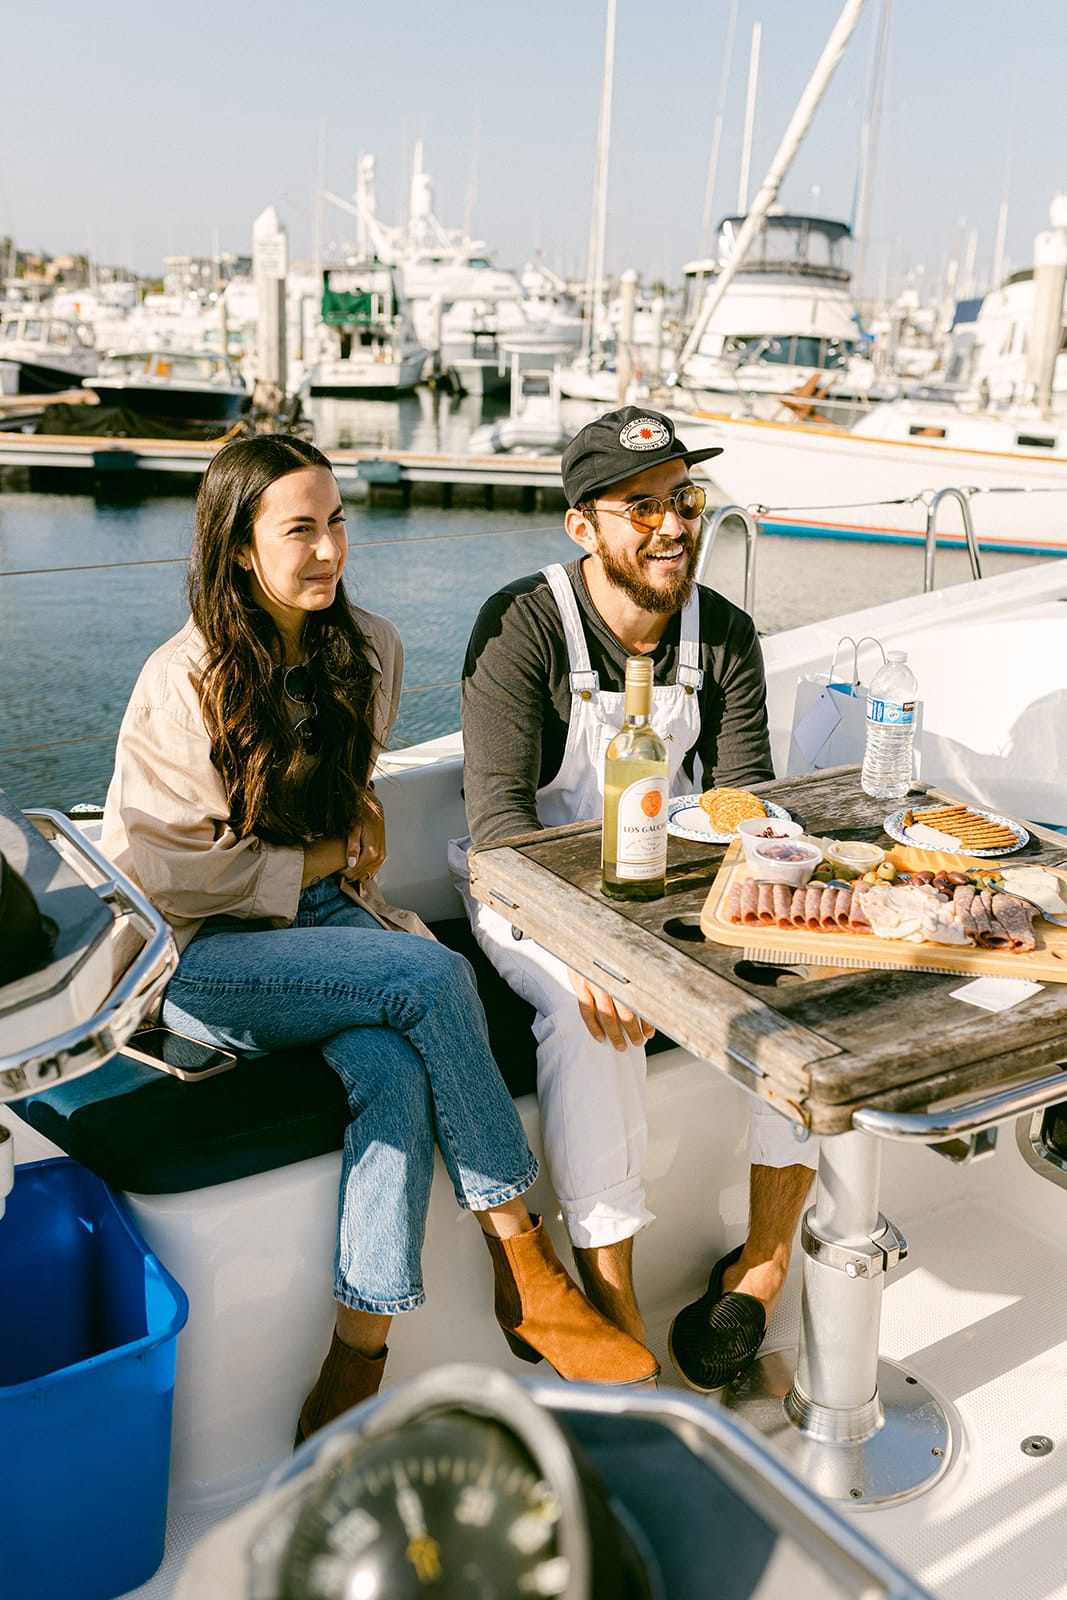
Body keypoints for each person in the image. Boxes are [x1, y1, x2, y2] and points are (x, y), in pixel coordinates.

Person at [100, 434, 659, 1443]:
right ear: (237, 547)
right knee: (427, 973)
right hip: (194, 956)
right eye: (299, 529)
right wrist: (318, 861)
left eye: (337, 522)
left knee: (393, 1071)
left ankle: (357, 1357)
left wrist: (343, 833)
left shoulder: (369, 650)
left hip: (319, 938)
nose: (327, 550)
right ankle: (520, 1259)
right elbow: (162, 876)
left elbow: (344, 792)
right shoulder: (179, 682)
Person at [451, 406, 818, 1392]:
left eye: (682, 500)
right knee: (586, 1012)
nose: (671, 525)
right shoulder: (522, 627)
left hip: (675, 881)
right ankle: (608, 1302)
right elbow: (497, 826)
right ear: (581, 526)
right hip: (530, 884)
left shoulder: (725, 634)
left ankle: (763, 1259)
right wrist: (595, 949)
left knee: (797, 975)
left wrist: (764, 897)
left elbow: (747, 798)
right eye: (639, 506)